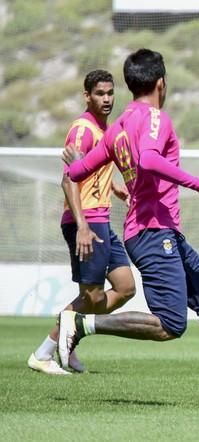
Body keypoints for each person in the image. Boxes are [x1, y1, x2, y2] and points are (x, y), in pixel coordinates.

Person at [59, 49, 199, 408]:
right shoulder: (154, 117)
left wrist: (76, 165)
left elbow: (75, 174)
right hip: (153, 231)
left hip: (157, 230)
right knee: (170, 322)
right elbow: (150, 159)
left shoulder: (119, 126)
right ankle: (82, 324)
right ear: (160, 83)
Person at [28, 70, 135, 375]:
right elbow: (68, 179)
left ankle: (68, 341)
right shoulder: (83, 130)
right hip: (85, 220)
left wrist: (113, 186)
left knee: (126, 287)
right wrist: (83, 226)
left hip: (101, 217)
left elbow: (93, 169)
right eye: (100, 94)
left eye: (110, 93)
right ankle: (44, 352)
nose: (107, 99)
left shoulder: (106, 129)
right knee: (92, 296)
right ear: (87, 96)